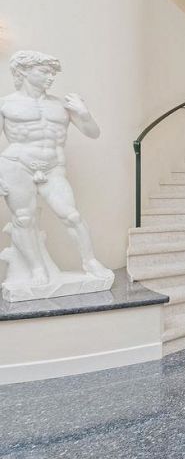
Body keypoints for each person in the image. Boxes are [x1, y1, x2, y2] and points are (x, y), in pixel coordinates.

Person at [0, 50, 110, 285]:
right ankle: (37, 269)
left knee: (72, 215)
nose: (51, 77)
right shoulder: (6, 104)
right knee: (24, 219)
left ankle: (90, 261)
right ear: (23, 72)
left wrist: (84, 114)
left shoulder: (62, 105)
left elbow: (93, 133)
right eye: (44, 72)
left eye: (53, 73)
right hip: (17, 165)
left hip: (53, 167)